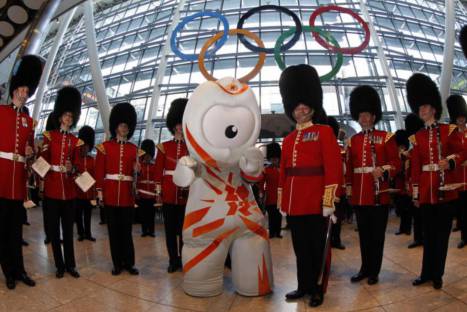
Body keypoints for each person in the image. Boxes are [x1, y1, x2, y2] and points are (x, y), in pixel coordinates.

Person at [278, 64, 342, 307]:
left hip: (316, 201)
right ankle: (303, 285)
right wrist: (283, 203)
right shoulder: (288, 139)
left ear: (312, 106)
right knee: (301, 249)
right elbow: (284, 173)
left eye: (304, 105)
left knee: (318, 249)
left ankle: (317, 288)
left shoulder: (324, 132)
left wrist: (329, 201)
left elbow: (333, 169)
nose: (300, 109)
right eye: (296, 106)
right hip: (295, 204)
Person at [407, 73, 464, 290]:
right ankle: (425, 273)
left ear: (434, 109)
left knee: (441, 237)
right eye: (419, 108)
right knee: (428, 236)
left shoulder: (448, 130)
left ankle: (437, 274)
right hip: (426, 191)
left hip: (445, 191)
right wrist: (414, 192)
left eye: (425, 107)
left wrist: (450, 162)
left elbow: (462, 152)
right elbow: (414, 167)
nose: (422, 111)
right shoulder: (417, 137)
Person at [346, 85, 400, 286]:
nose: (364, 119)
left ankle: (374, 271)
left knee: (377, 236)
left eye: (367, 115)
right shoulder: (353, 141)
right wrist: (350, 193)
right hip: (360, 196)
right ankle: (364, 268)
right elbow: (349, 170)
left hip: (379, 195)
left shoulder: (386, 138)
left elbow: (396, 164)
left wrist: (384, 170)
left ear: (374, 115)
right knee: (365, 236)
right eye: (361, 115)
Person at [0, 55, 43, 289]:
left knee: (17, 231)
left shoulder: (28, 121)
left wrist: (30, 152)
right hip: (1, 178)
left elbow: (29, 155)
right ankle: (8, 270)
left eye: (28, 91)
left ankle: (20, 270)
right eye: (23, 89)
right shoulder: (1, 112)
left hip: (17, 182)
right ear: (16, 89)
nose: (25, 94)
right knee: (3, 229)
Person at [41, 86, 82, 279]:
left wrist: (72, 167)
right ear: (59, 117)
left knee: (68, 230)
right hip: (52, 188)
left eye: (71, 116)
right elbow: (42, 160)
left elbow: (79, 167)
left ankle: (71, 265)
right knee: (54, 231)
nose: (68, 118)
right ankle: (59, 265)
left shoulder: (76, 141)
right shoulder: (50, 136)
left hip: (69, 191)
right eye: (65, 115)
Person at [95, 102, 140, 276]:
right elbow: (100, 172)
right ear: (116, 127)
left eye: (127, 126)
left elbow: (136, 176)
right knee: (113, 233)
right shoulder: (105, 148)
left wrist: (137, 170)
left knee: (126, 232)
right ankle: (117, 263)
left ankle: (129, 262)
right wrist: (100, 194)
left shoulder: (134, 149)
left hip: (127, 196)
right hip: (111, 195)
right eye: (122, 125)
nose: (124, 129)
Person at [154, 98, 189, 273]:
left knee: (183, 230)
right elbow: (158, 173)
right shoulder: (163, 147)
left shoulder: (191, 148)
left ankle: (183, 258)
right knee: (169, 231)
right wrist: (159, 193)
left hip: (185, 194)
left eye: (182, 124)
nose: (180, 127)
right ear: (174, 126)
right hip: (168, 193)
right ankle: (172, 259)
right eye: (178, 124)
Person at [446, 95, 467, 248]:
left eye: (463, 117)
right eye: (458, 117)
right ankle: (464, 237)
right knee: (462, 211)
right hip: (458, 177)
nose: (461, 120)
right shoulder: (451, 136)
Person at [404, 113, 425, 249]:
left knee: (422, 211)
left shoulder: (420, 140)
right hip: (414, 181)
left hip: (423, 180)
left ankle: (423, 237)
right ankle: (418, 237)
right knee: (416, 212)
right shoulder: (413, 141)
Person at [75, 125, 96, 242]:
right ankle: (80, 233)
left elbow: (94, 177)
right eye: (83, 147)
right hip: (78, 192)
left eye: (87, 147)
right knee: (78, 215)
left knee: (88, 215)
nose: (85, 149)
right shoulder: (76, 159)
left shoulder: (92, 160)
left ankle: (88, 233)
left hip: (88, 193)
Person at [327, 116, 346, 250]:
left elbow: (344, 169)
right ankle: (329, 239)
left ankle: (336, 239)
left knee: (338, 217)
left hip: (339, 188)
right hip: (326, 188)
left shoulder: (341, 149)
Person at [260, 142, 282, 238]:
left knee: (279, 216)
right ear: (270, 159)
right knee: (272, 216)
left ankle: (278, 232)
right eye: (272, 159)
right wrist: (261, 193)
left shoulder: (282, 170)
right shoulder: (266, 170)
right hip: (270, 196)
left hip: (281, 197)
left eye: (276, 159)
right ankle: (272, 232)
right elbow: (261, 182)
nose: (274, 161)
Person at [393, 129, 412, 236]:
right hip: (399, 184)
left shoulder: (407, 156)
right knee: (401, 208)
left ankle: (407, 228)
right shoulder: (398, 156)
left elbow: (406, 170)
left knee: (407, 208)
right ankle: (403, 228)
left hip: (406, 185)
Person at [137, 139, 157, 237]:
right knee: (143, 214)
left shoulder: (154, 166)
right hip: (142, 194)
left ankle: (152, 231)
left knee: (151, 214)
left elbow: (156, 180)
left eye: (149, 155)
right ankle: (144, 230)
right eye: (147, 155)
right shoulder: (140, 166)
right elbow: (137, 180)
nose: (148, 157)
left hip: (152, 194)